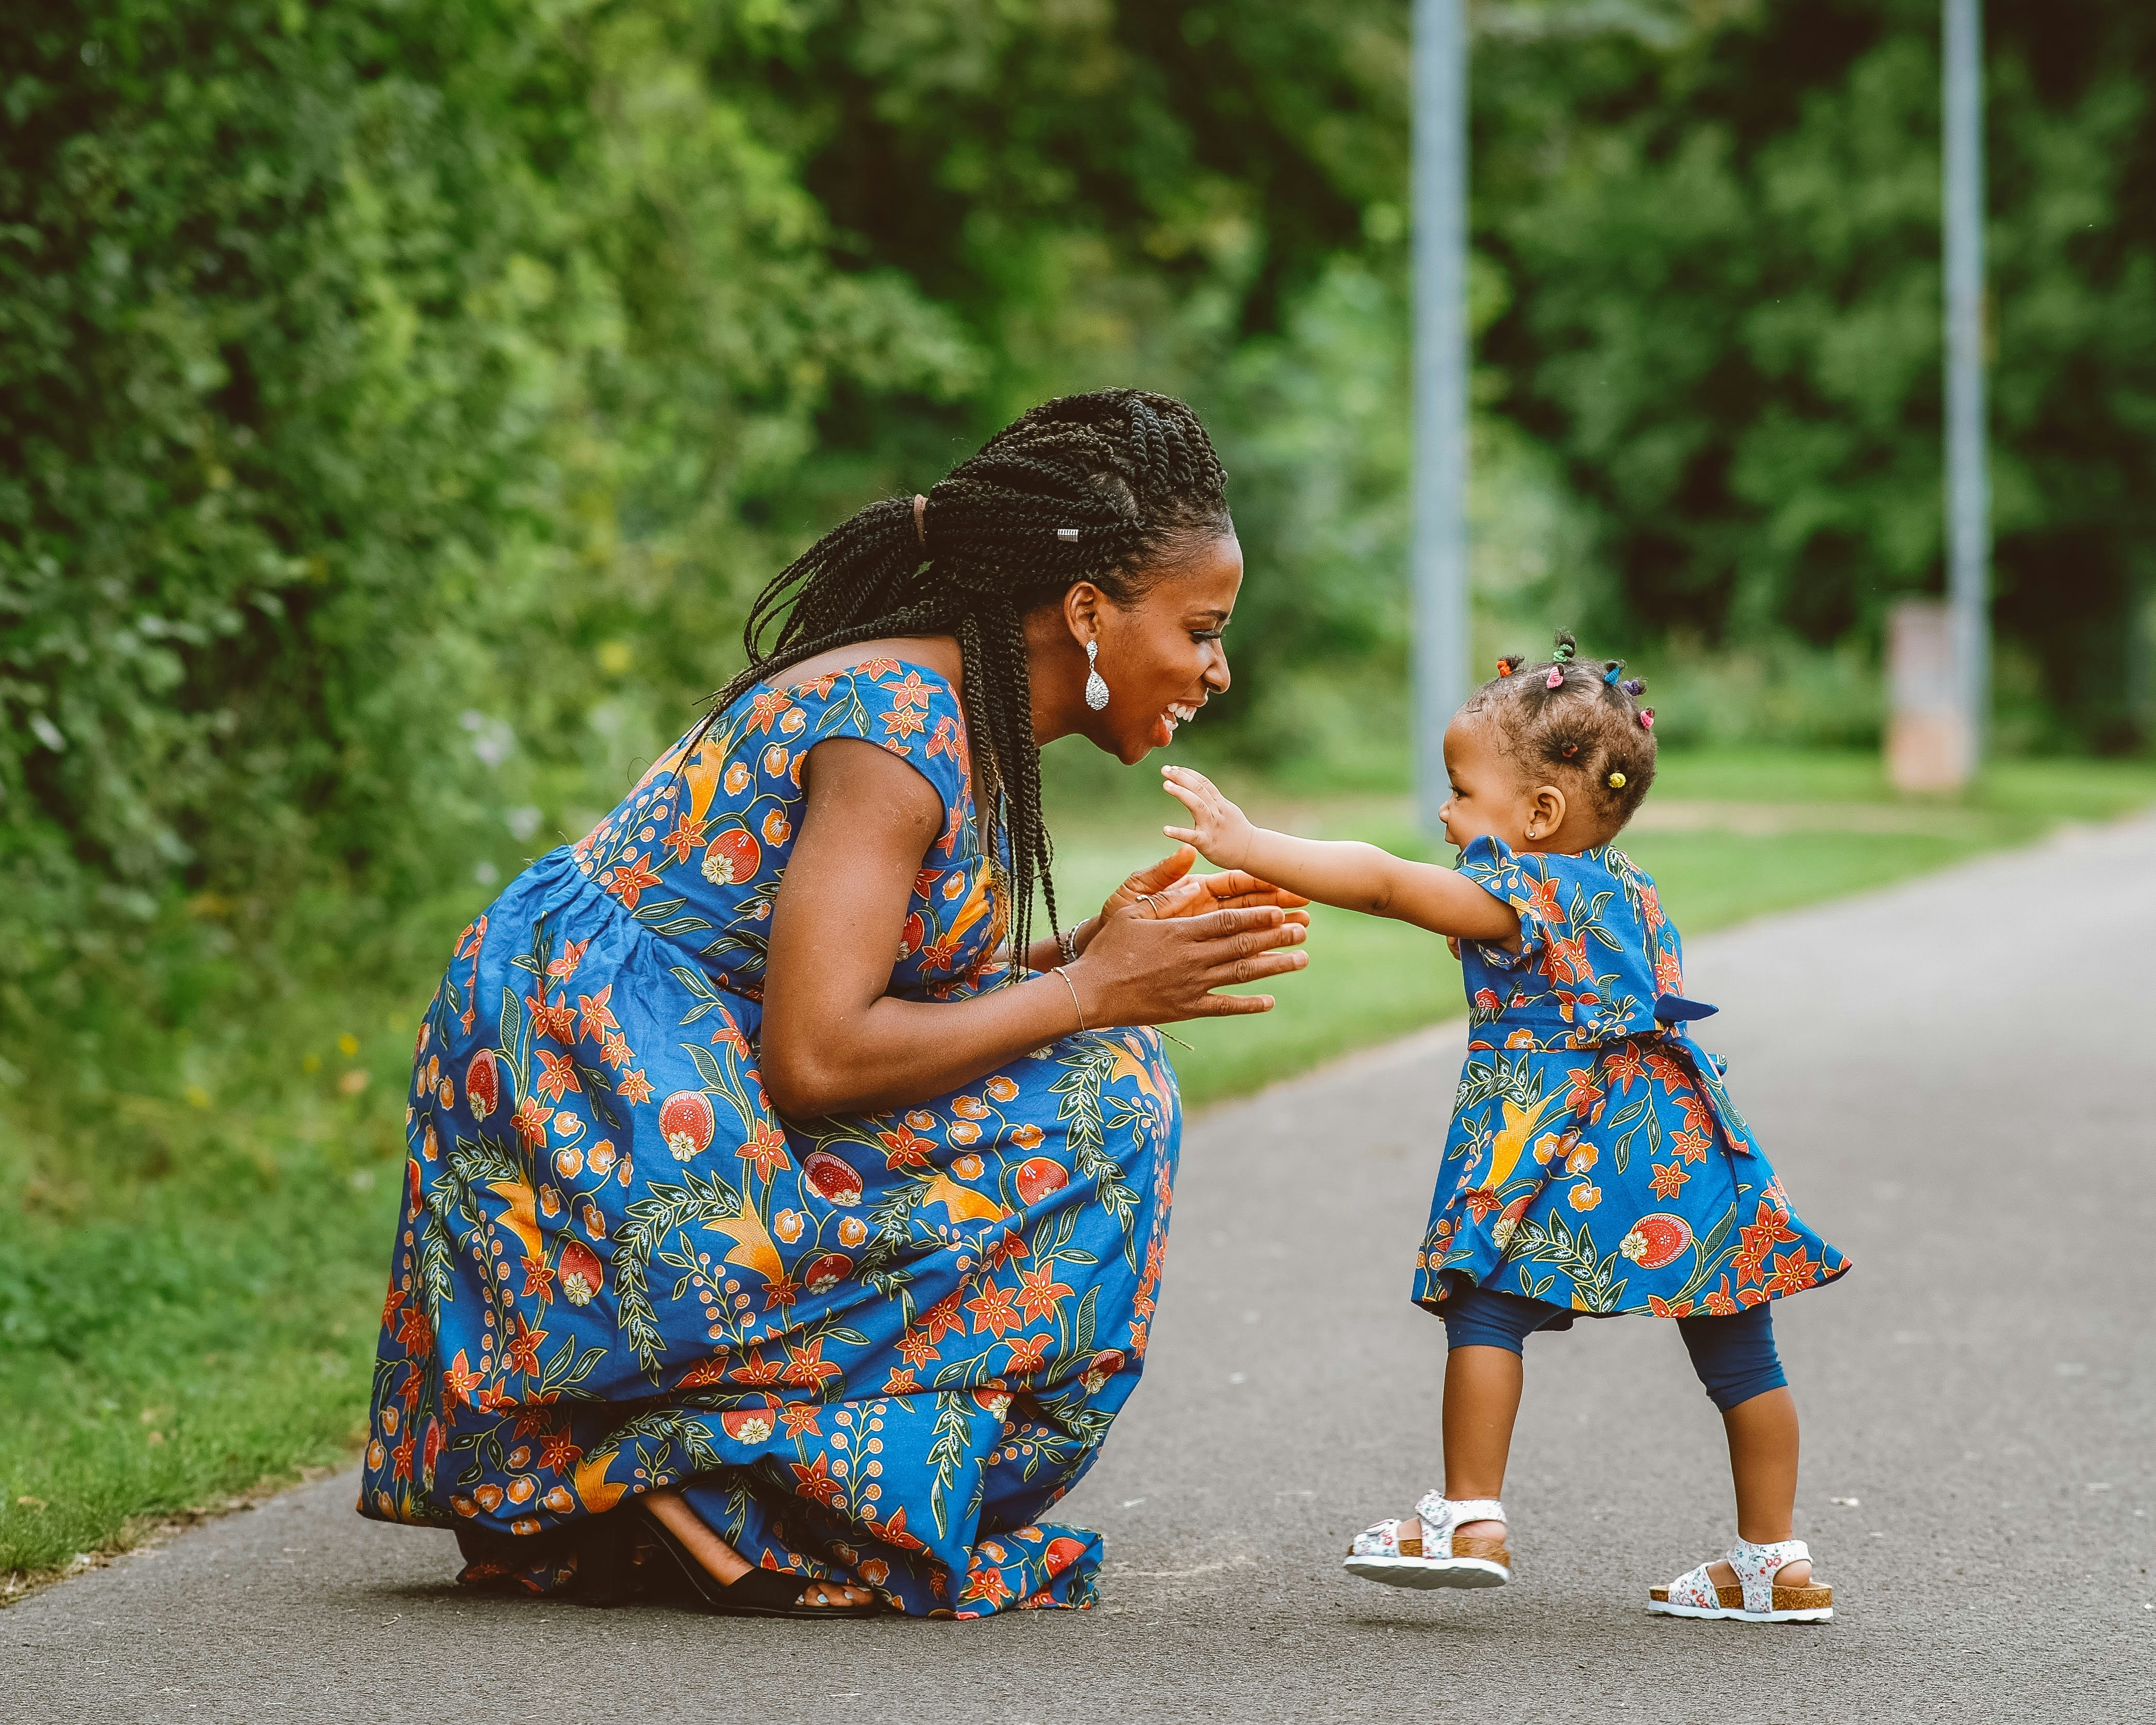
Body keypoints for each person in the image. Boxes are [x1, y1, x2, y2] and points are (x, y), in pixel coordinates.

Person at [358, 390, 1311, 1618]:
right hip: (582, 1066)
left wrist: (1085, 957)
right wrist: (1087, 989)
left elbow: (859, 977)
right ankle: (687, 1477)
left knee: (1107, 1082)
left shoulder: (963, 714)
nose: (1218, 668)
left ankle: (710, 1483)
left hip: (667, 1055)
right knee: (1105, 1091)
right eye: (1202, 628)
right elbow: (815, 1054)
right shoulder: (898, 730)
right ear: (1087, 613)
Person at [1156, 630, 1851, 1624]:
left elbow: (1384, 883)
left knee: (1486, 1307)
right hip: (1680, 1136)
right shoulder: (1633, 890)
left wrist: (1248, 842)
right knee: (1743, 1349)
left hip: (1554, 1136)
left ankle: (1471, 1517)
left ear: (1539, 812)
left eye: (1458, 792)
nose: (1443, 813)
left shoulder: (1520, 888)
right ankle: (1773, 1559)